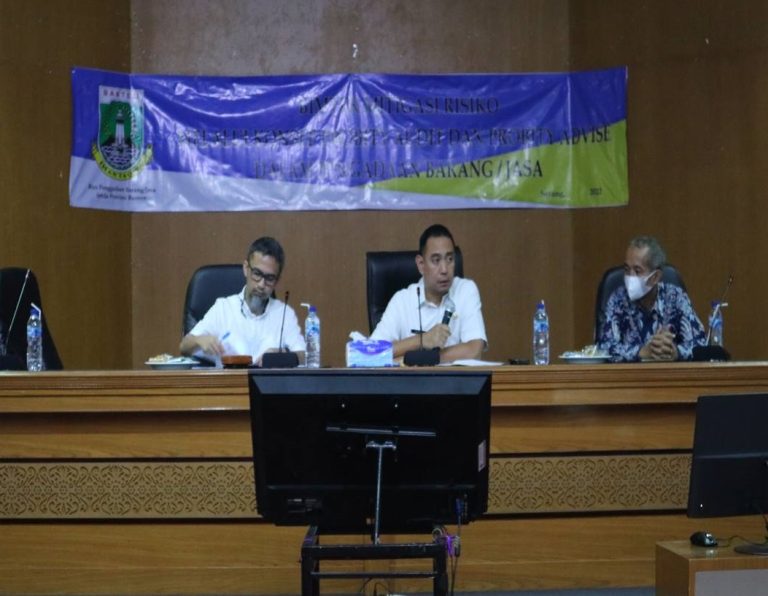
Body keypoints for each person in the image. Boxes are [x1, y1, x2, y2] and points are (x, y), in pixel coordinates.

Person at [370, 224, 487, 363]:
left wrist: (417, 359)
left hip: (452, 378)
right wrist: (422, 340)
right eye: (436, 260)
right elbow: (369, 354)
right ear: (421, 264)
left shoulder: (465, 290)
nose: (444, 269)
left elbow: (474, 350)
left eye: (450, 259)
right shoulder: (402, 301)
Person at [180, 237, 305, 366]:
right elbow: (184, 346)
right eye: (257, 273)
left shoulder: (284, 313)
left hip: (268, 379)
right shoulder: (223, 308)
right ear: (246, 268)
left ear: (277, 281)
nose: (261, 285)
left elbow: (304, 356)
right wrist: (200, 340)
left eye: (270, 278)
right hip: (230, 378)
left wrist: (282, 354)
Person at [597, 235, 706, 362]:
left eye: (637, 271)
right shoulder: (617, 299)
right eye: (627, 269)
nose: (629, 277)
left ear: (655, 277)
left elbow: (701, 344)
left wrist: (676, 352)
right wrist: (641, 352)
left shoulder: (676, 297)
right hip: (630, 374)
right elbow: (603, 349)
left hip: (670, 373)